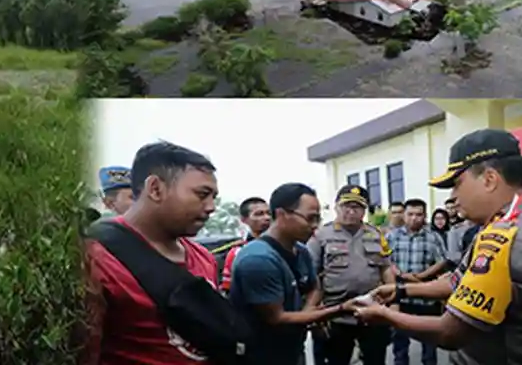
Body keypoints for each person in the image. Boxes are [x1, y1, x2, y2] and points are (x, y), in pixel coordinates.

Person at [353, 128, 522, 365]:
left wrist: (384, 315)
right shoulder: (499, 226)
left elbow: (450, 332)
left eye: (457, 183)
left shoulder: (513, 238)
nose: (453, 196)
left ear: (489, 179)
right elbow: (458, 282)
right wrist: (402, 290)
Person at [84, 142, 221, 364]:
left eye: (213, 197)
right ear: (156, 189)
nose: (211, 206)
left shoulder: (203, 257)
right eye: (202, 194)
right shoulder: (97, 258)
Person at [231, 182, 346, 365]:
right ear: (281, 214)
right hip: (262, 355)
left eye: (318, 219)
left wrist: (308, 310)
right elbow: (277, 318)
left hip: (292, 348)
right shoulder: (258, 260)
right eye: (310, 218)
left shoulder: (300, 250)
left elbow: (314, 286)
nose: (315, 226)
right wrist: (341, 309)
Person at [308, 185, 394, 365]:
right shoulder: (320, 235)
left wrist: (393, 302)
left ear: (364, 210)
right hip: (336, 313)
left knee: (376, 359)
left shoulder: (376, 234)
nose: (351, 211)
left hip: (372, 311)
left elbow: (386, 268)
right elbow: (312, 275)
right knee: (337, 360)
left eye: (357, 207)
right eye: (346, 206)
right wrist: (313, 310)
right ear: (336, 207)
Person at [387, 198, 449, 365]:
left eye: (419, 214)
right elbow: (385, 261)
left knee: (429, 346)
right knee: (400, 345)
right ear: (404, 215)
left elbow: (442, 261)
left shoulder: (433, 237)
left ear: (425, 216)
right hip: (400, 297)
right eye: (410, 214)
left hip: (427, 298)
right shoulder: (392, 236)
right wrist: (399, 273)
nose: (414, 218)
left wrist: (422, 276)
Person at [219, 195, 272, 293]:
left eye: (269, 213)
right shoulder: (237, 252)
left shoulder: (285, 246)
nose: (267, 217)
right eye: (259, 214)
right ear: (244, 220)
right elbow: (228, 290)